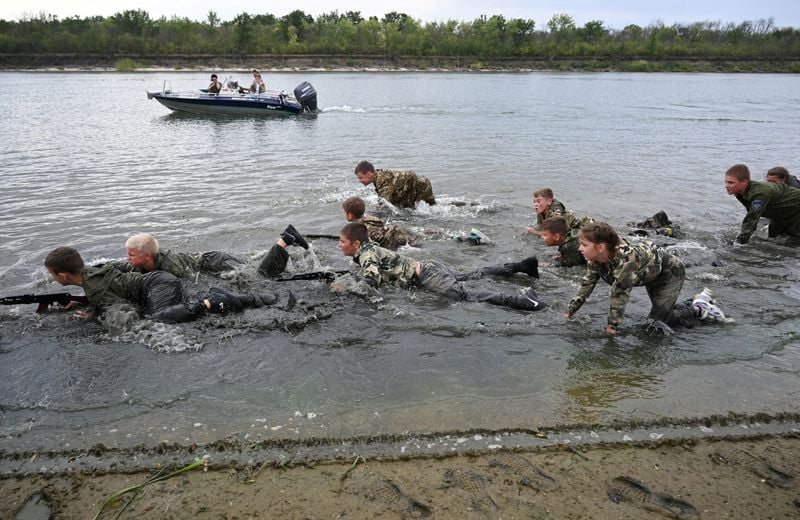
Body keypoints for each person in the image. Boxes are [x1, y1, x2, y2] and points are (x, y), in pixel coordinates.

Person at [44, 247, 288, 323]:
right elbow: (110, 290)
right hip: (158, 282)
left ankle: (208, 303)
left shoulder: (93, 287)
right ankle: (216, 299)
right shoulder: (91, 274)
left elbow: (126, 311)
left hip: (159, 285)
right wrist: (88, 304)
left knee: (156, 320)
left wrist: (94, 316)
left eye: (52, 275)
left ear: (63, 276)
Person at [565, 222, 727, 335]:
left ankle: (700, 308)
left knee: (655, 325)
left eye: (584, 245)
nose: (580, 249)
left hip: (669, 274)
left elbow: (619, 296)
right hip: (650, 276)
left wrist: (611, 328)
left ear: (600, 247)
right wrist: (569, 313)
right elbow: (586, 285)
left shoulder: (624, 262)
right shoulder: (596, 259)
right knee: (658, 317)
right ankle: (696, 301)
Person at [339, 223, 544, 311]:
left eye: (342, 242)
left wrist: (348, 290)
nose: (339, 245)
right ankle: (521, 266)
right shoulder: (368, 249)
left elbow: (371, 281)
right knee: (470, 276)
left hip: (427, 275)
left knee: (464, 296)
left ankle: (525, 301)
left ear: (356, 244)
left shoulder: (366, 254)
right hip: (430, 267)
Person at [114, 226, 308, 280]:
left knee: (259, 277)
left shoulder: (170, 268)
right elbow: (122, 267)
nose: (127, 258)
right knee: (253, 268)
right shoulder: (147, 261)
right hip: (213, 260)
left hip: (216, 262)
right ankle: (289, 250)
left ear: (147, 256)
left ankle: (286, 239)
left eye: (131, 255)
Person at [724, 164, 800, 243]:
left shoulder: (759, 193)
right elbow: (751, 213)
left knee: (794, 241)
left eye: (731, 183)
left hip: (795, 209)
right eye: (726, 182)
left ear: (744, 182)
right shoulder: (739, 192)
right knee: (773, 237)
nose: (726, 186)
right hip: (780, 211)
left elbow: (752, 217)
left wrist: (740, 241)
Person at [342, 196, 418, 250]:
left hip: (396, 244)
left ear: (350, 215)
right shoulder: (370, 219)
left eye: (344, 212)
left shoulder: (356, 230)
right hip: (403, 235)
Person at [354, 160, 436, 208]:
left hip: (421, 187)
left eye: (360, 177)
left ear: (369, 174)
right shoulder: (379, 177)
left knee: (428, 212)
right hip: (416, 187)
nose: (359, 181)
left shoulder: (381, 179)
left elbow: (384, 203)